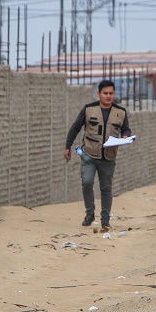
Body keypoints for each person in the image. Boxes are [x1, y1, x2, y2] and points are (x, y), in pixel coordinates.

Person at [64, 80, 131, 230]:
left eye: (111, 93)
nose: (108, 96)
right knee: (87, 182)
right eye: (105, 93)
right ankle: (90, 213)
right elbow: (75, 127)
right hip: (89, 154)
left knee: (106, 188)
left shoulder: (120, 112)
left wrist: (126, 136)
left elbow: (126, 129)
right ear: (99, 94)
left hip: (109, 157)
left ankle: (105, 220)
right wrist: (67, 146)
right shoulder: (89, 109)